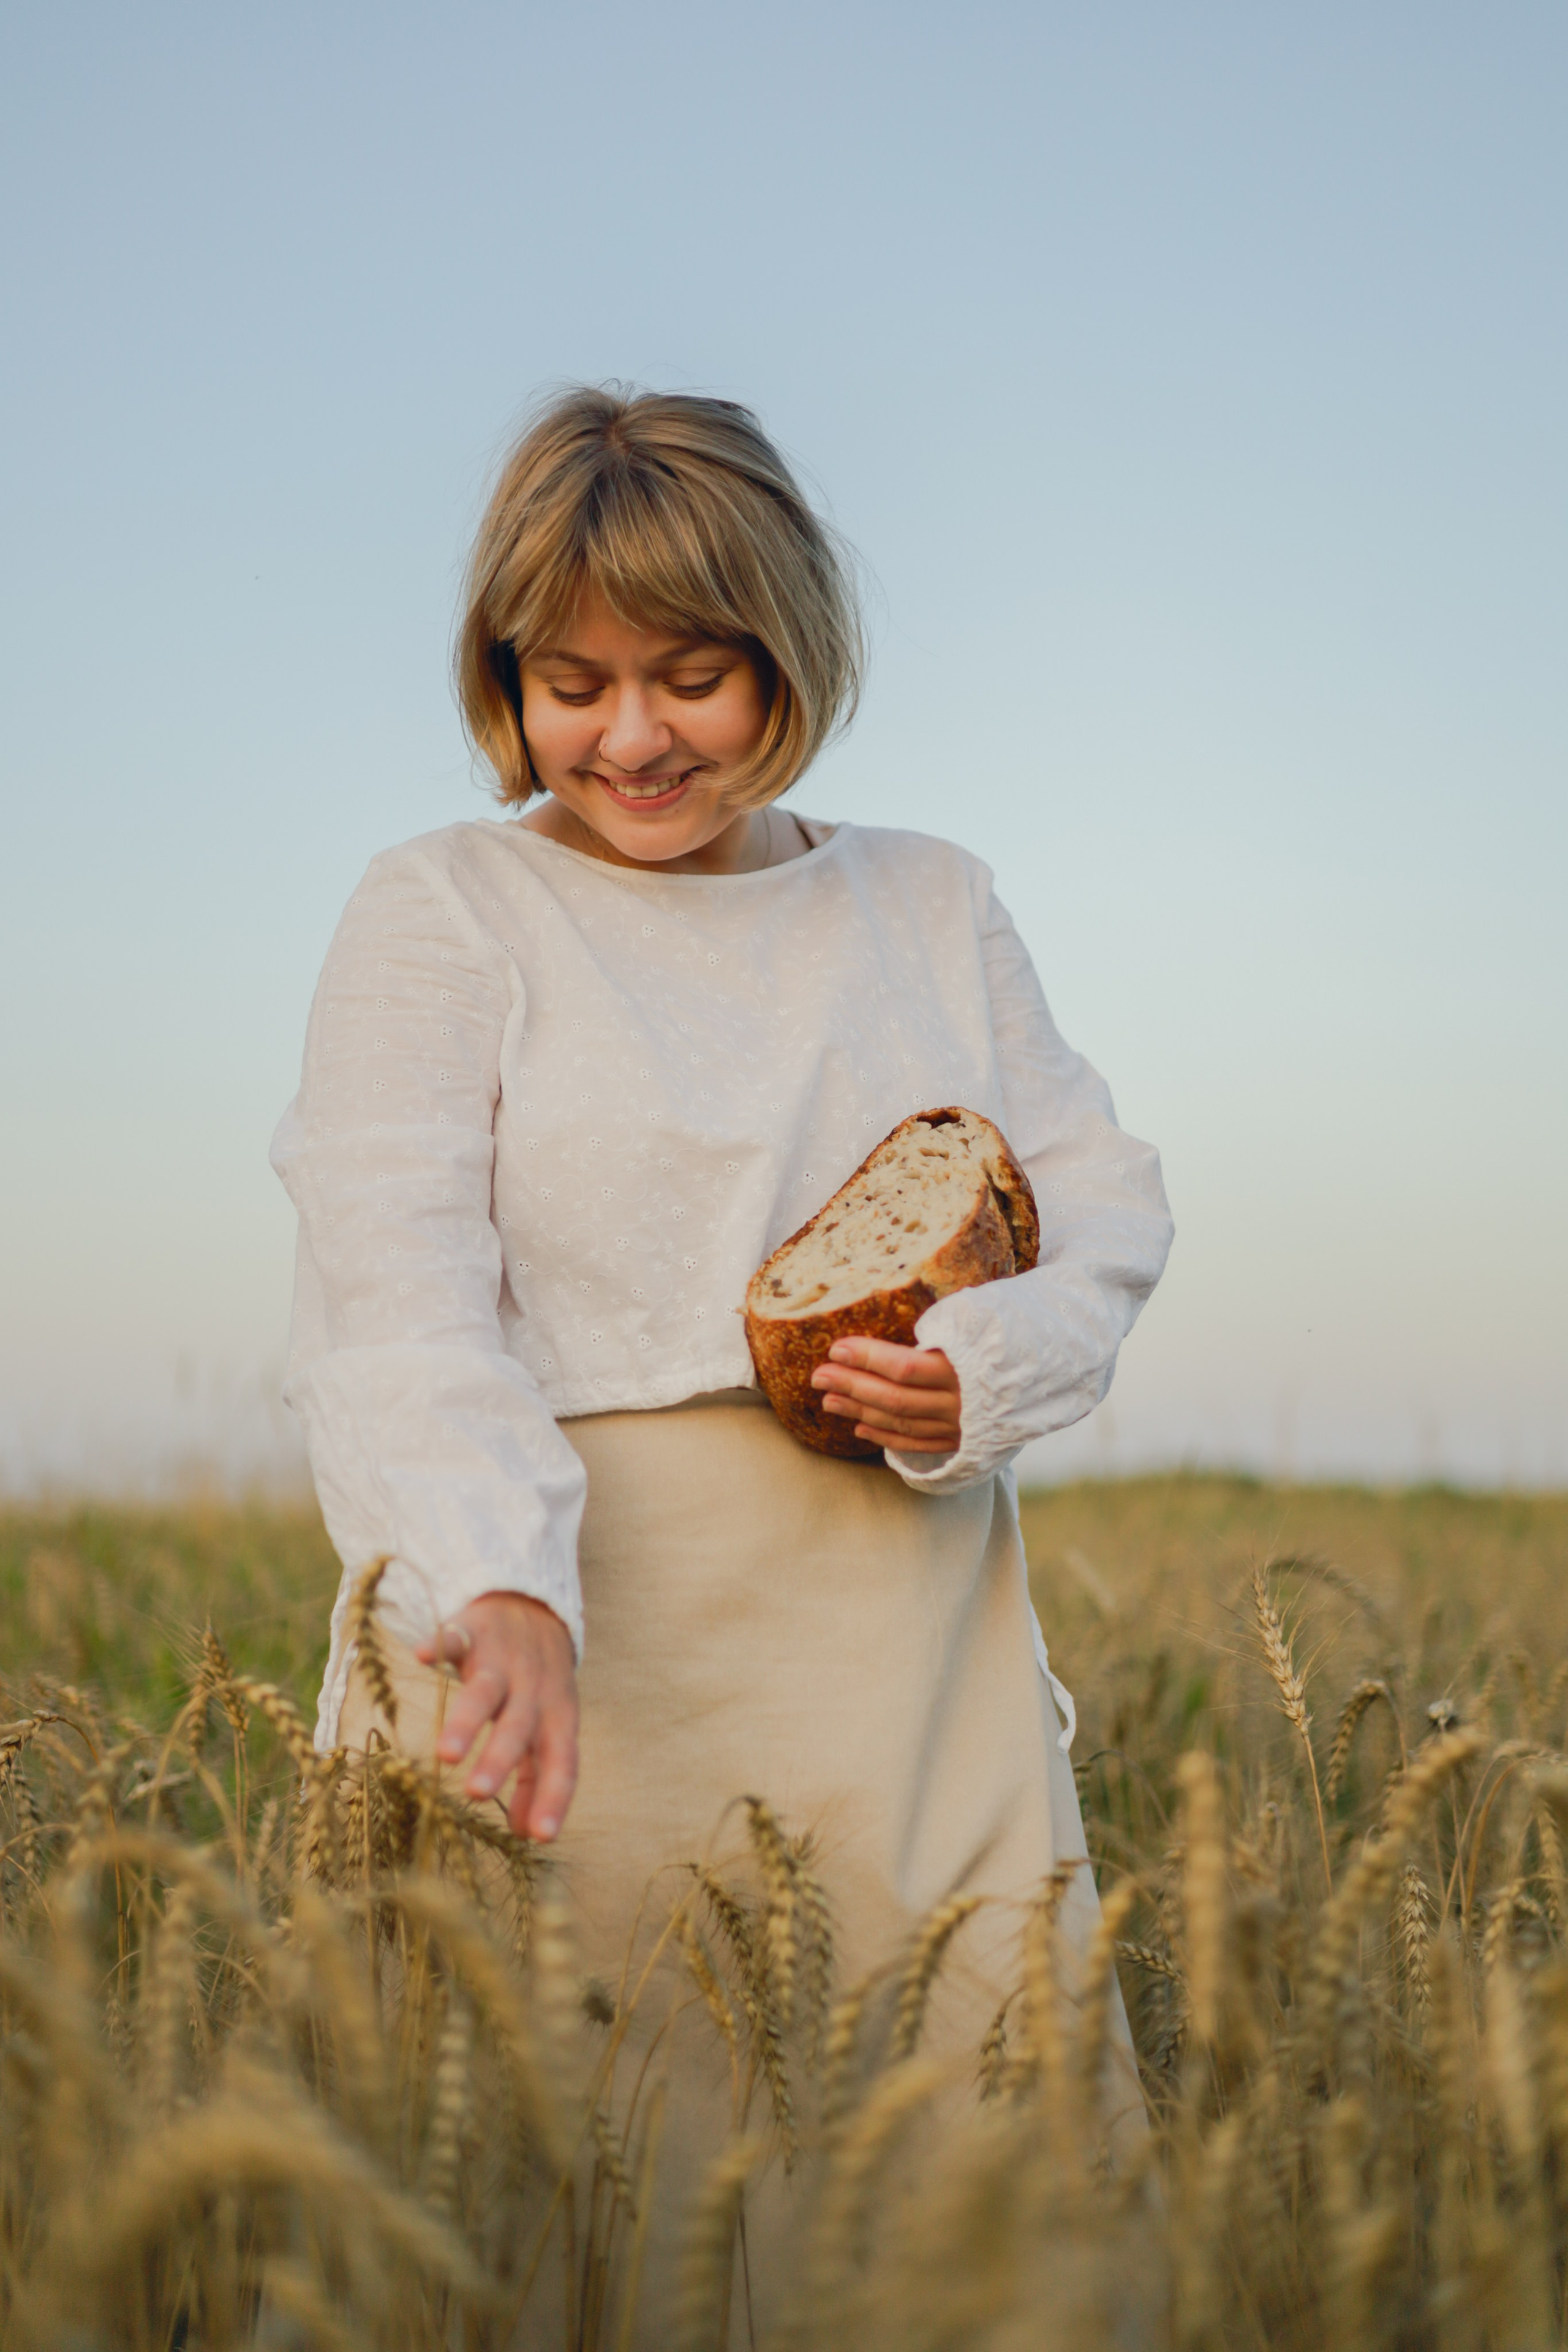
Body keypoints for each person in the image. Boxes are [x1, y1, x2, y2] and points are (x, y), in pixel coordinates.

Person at [271, 385, 1174, 2339]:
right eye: (571, 681)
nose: (632, 737)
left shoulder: (926, 896)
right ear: (501, 676)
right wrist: (490, 1574)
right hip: (554, 1633)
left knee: (954, 2185)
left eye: (694, 675)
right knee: (566, 2184)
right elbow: (394, 1282)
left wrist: (985, 1368)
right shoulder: (446, 907)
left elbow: (1099, 1211)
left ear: (793, 654)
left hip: (900, 1647)